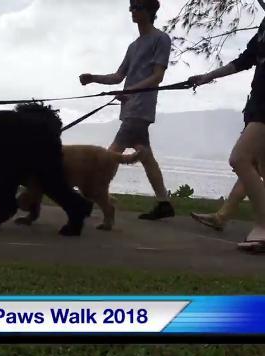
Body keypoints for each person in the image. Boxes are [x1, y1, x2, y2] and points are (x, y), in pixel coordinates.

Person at [79, 0, 175, 220]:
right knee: (145, 155)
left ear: (150, 11)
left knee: (110, 154)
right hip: (130, 105)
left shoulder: (161, 39)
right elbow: (118, 77)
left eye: (138, 6)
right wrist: (94, 78)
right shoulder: (134, 46)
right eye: (131, 7)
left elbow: (157, 76)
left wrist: (131, 91)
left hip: (141, 107)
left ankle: (90, 197)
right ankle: (164, 203)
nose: (133, 10)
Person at [189, 17, 265, 251]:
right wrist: (207, 77)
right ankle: (223, 217)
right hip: (257, 102)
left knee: (239, 158)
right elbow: (244, 60)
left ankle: (263, 226)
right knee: (257, 165)